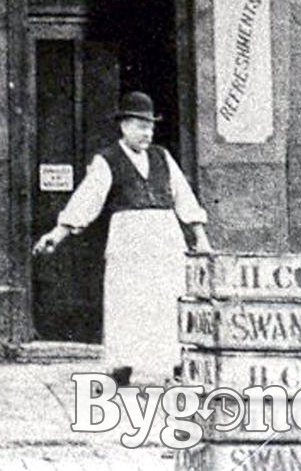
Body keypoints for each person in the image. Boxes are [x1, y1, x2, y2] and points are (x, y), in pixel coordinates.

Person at [34, 91, 212, 386]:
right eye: (141, 126)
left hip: (164, 238)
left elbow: (184, 197)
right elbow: (86, 201)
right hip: (129, 239)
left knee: (168, 299)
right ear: (124, 126)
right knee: (126, 302)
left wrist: (200, 237)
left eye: (151, 126)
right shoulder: (108, 160)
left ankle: (174, 363)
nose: (147, 132)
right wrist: (58, 234)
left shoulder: (162, 157)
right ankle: (122, 364)